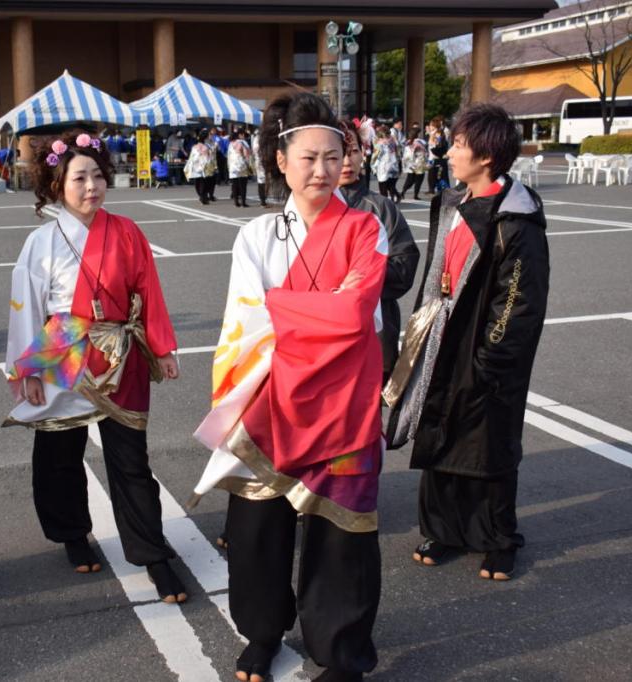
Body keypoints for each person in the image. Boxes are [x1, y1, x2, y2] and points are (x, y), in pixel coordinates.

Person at [192, 91, 388, 682]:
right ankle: (262, 632)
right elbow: (245, 323)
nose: (322, 170)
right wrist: (315, 313)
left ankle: (343, 649)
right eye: (308, 157)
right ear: (281, 161)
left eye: (333, 156)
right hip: (270, 401)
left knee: (340, 531)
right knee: (258, 526)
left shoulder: (365, 226)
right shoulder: (254, 235)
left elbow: (358, 314)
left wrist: (285, 309)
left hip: (343, 403)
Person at [3, 130, 187, 603]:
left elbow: (149, 290)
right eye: (80, 177)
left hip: (119, 351)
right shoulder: (41, 242)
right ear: (57, 183)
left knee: (131, 458)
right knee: (59, 453)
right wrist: (28, 372)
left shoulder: (127, 231)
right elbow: (26, 308)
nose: (92, 187)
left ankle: (152, 554)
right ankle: (71, 533)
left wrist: (162, 348)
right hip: (63, 348)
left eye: (99, 176)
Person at [385, 103, 550, 583]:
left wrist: (488, 358)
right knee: (441, 432)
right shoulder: (454, 202)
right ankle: (444, 529)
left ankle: (499, 538)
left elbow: (518, 302)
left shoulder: (516, 220)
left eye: (459, 143)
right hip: (441, 335)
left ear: (486, 156)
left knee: (488, 443)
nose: (450, 150)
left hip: (484, 348)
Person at [337, 120, 420, 384]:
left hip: (376, 334)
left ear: (364, 152)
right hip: (322, 337)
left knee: (369, 417)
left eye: (353, 151)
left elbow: (404, 264)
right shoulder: (308, 209)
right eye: (338, 152)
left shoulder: (381, 207)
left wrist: (360, 279)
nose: (347, 161)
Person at [184, 128, 218, 204]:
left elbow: (191, 158)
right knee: (204, 182)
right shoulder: (206, 147)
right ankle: (203, 197)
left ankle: (202, 196)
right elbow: (208, 158)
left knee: (198, 182)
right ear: (205, 137)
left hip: (195, 167)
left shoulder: (194, 146)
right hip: (204, 167)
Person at [371, 125, 401, 202]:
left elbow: (375, 156)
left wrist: (372, 165)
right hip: (393, 165)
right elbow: (398, 153)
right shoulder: (393, 141)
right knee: (391, 185)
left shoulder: (380, 143)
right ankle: (394, 198)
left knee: (383, 185)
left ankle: (385, 201)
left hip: (383, 166)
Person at [227, 129, 254, 207]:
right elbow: (247, 154)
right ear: (240, 135)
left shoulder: (230, 144)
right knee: (243, 185)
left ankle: (236, 202)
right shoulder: (242, 142)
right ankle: (243, 202)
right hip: (242, 166)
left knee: (234, 185)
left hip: (232, 166)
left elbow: (228, 156)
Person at [399, 137, 428, 201]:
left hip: (411, 164)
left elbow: (406, 154)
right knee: (419, 180)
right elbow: (425, 150)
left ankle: (403, 192)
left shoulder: (407, 142)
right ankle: (415, 195)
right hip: (419, 163)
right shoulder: (420, 142)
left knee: (409, 180)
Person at [250, 129, 268, 207]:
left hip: (262, 161)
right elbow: (256, 151)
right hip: (260, 161)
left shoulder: (258, 140)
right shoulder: (257, 140)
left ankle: (263, 199)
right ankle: (262, 200)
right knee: (261, 181)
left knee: (263, 181)